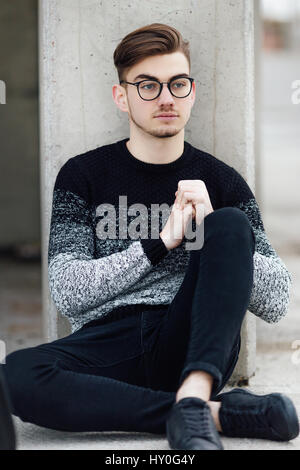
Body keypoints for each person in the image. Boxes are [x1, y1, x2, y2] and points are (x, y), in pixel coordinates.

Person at [1, 23, 299, 451]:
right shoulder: (82, 175)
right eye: (147, 85)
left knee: (230, 223)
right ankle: (206, 412)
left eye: (177, 84)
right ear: (121, 96)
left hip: (193, 337)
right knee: (17, 375)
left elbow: (275, 301)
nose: (165, 98)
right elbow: (68, 292)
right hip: (109, 344)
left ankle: (195, 394)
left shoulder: (222, 181)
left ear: (192, 93)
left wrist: (216, 233)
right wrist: (159, 243)